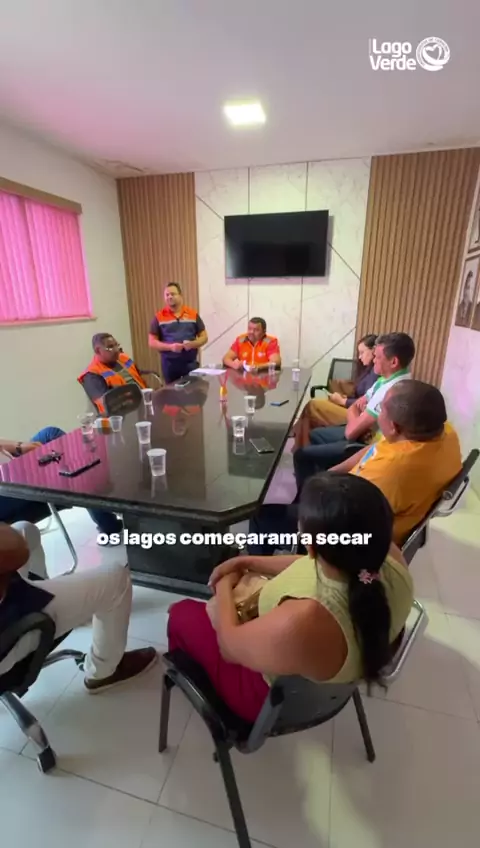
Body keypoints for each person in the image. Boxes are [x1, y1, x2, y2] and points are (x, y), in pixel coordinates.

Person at [167, 474, 413, 723]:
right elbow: (309, 565)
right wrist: (248, 561)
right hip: (306, 664)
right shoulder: (386, 556)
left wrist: (224, 586)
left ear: (311, 547)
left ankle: (189, 678)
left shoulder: (305, 621)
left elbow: (228, 646)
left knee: (180, 613)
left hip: (267, 698)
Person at [249, 380, 462, 552]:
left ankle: (257, 575)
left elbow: (341, 517)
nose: (377, 413)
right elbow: (373, 450)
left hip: (354, 540)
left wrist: (312, 504)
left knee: (261, 517)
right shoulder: (443, 433)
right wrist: (331, 473)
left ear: (394, 426)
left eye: (381, 409)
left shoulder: (391, 470)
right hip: (368, 508)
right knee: (311, 478)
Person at [0, 522, 157, 691]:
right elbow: (14, 547)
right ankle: (102, 672)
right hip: (6, 632)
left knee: (26, 530)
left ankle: (61, 606)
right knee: (117, 579)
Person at [293, 331, 415, 490]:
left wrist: (355, 412)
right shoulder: (387, 379)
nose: (374, 360)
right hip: (363, 431)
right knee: (316, 435)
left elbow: (351, 432)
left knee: (301, 455)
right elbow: (356, 404)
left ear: (393, 362)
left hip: (367, 443)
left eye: (377, 357)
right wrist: (356, 411)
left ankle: (308, 494)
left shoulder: (390, 391)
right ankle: (323, 483)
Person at [0, 427, 122, 536]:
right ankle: (105, 514)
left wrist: (19, 446)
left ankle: (101, 509)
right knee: (62, 470)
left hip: (7, 462)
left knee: (50, 434)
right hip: (4, 487)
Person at [293, 334, 377, 449]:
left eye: (362, 353)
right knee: (312, 409)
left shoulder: (376, 373)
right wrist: (345, 398)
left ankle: (302, 447)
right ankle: (304, 446)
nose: (359, 357)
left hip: (358, 416)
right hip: (353, 408)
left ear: (374, 351)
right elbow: (363, 396)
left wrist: (343, 401)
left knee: (313, 406)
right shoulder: (368, 370)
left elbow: (368, 403)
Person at [148, 282, 208, 384]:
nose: (169, 297)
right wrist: (171, 347)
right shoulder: (159, 317)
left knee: (194, 390)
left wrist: (193, 344)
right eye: (167, 295)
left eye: (173, 294)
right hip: (170, 365)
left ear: (180, 295)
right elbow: (152, 342)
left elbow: (204, 337)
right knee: (172, 392)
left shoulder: (193, 314)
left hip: (190, 363)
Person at [78, 333, 147, 413]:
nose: (116, 350)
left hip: (143, 402)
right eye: (110, 347)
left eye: (116, 345)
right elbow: (106, 403)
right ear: (98, 351)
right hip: (122, 413)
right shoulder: (91, 375)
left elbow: (139, 379)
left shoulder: (123, 358)